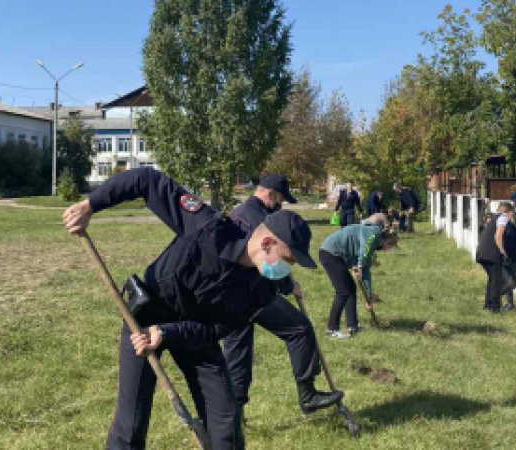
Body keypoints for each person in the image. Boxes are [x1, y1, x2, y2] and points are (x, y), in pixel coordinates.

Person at [62, 167, 328, 449]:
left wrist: (167, 333)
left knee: (226, 421)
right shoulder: (209, 227)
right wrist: (91, 204)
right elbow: (146, 180)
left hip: (193, 334)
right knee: (131, 426)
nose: (288, 269)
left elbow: (211, 332)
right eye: (288, 259)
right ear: (266, 242)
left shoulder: (261, 292)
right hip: (145, 317)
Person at [224, 174, 342, 422]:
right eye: (280, 200)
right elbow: (270, 259)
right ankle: (307, 395)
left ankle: (234, 415)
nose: (280, 206)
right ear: (270, 194)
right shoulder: (262, 219)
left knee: (237, 352)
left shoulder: (239, 211)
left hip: (231, 295)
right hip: (255, 294)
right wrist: (288, 284)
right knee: (299, 329)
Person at [319, 223, 399, 338]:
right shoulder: (374, 234)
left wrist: (368, 296)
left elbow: (366, 274)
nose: (387, 251)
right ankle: (331, 329)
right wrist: (360, 265)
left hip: (337, 256)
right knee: (343, 291)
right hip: (331, 253)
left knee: (351, 288)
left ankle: (352, 326)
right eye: (389, 248)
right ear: (386, 242)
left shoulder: (371, 248)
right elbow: (365, 248)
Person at [476, 202, 516, 313]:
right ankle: (494, 308)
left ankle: (488, 305)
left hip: (482, 253)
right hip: (491, 254)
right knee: (496, 281)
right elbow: (498, 236)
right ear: (509, 212)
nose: (511, 216)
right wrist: (503, 252)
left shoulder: (494, 218)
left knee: (492, 279)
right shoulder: (503, 218)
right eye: (512, 214)